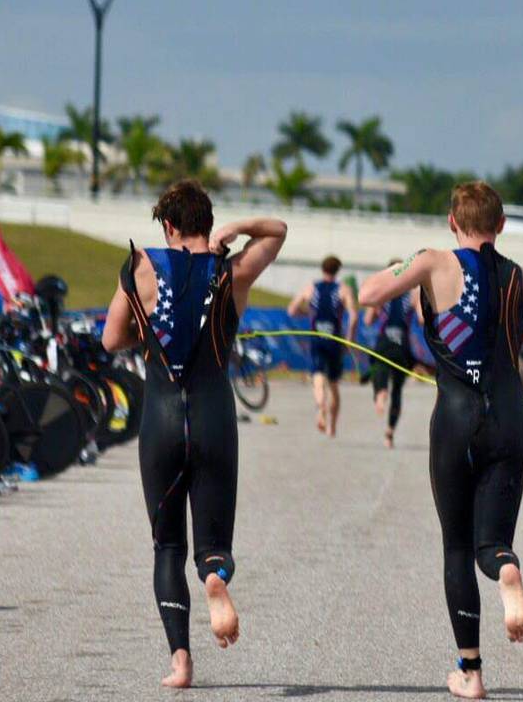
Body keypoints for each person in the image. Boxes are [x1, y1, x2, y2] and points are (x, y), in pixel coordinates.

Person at [358, 182, 523, 699]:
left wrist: (415, 270)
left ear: (453, 222)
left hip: (455, 419)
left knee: (455, 547)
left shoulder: (433, 261)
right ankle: (508, 571)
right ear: (502, 225)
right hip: (510, 419)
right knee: (491, 543)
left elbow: (369, 294)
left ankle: (471, 674)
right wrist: (514, 377)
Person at [102, 180, 287, 688]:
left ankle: (181, 662)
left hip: (161, 418)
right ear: (208, 224)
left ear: (166, 225)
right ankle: (214, 577)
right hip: (213, 416)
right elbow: (278, 231)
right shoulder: (232, 270)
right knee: (212, 542)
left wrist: (150, 327)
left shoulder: (139, 267)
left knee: (166, 548)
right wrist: (236, 230)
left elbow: (111, 337)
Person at [287, 255, 357, 438]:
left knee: (317, 378)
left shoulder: (311, 287)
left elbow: (292, 310)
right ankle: (332, 427)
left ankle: (321, 407)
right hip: (335, 341)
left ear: (322, 269)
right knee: (333, 385)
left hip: (317, 339)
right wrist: (349, 340)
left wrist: (307, 312)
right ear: (337, 270)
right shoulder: (344, 289)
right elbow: (354, 317)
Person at [363, 261, 418, 448]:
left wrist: (377, 310)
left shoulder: (382, 293)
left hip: (384, 342)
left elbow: (368, 320)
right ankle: (389, 433)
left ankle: (380, 393)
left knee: (379, 370)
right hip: (402, 345)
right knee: (398, 391)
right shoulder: (413, 293)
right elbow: (422, 319)